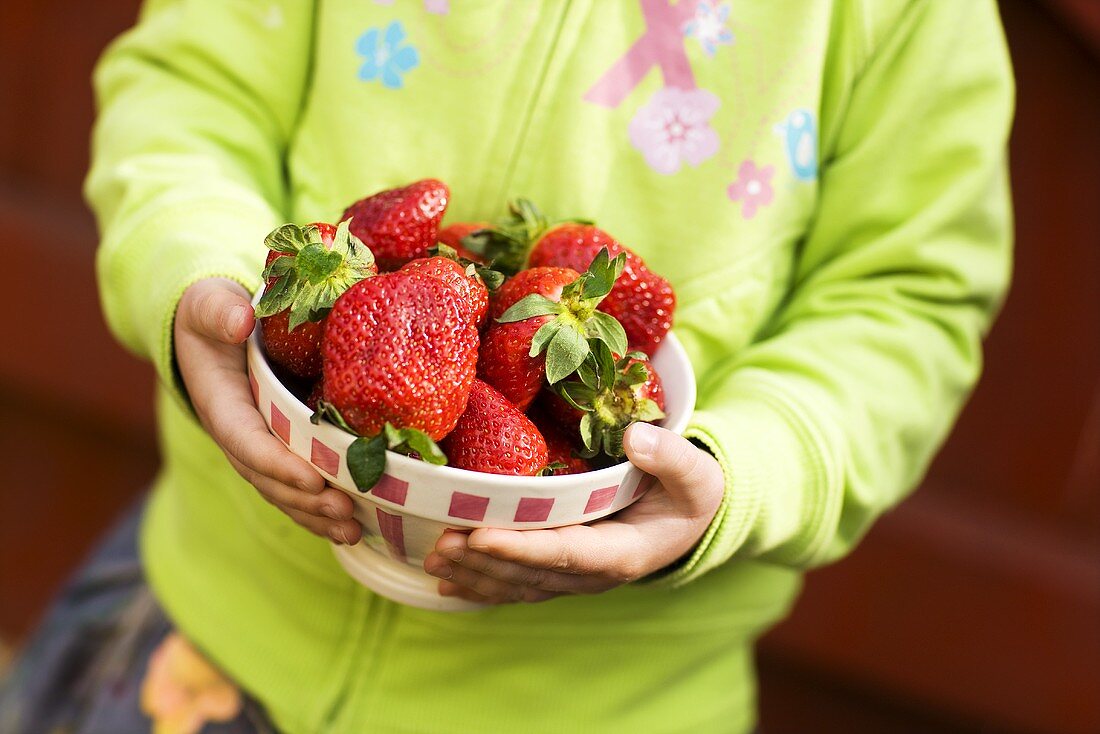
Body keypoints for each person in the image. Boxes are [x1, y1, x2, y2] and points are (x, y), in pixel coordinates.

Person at [0, 1, 1014, 732]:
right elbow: (191, 92)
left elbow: (903, 301)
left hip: (604, 705)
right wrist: (203, 281)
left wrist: (733, 474)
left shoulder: (909, 20)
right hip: (209, 628)